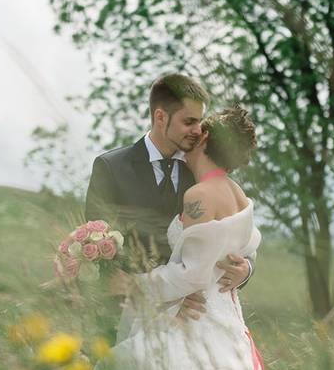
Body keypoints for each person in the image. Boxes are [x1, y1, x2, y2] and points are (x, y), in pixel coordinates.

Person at [101, 106, 285, 370]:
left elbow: (192, 275)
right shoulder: (238, 194)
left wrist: (135, 284)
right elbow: (245, 246)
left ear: (207, 139)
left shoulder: (199, 195)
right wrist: (241, 269)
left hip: (197, 317)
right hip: (226, 319)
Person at [85, 74, 254, 338]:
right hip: (125, 318)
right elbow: (102, 250)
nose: (198, 130)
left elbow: (234, 234)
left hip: (192, 319)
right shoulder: (111, 168)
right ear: (160, 117)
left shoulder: (202, 170)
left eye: (199, 120)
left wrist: (246, 269)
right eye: (189, 121)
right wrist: (170, 301)